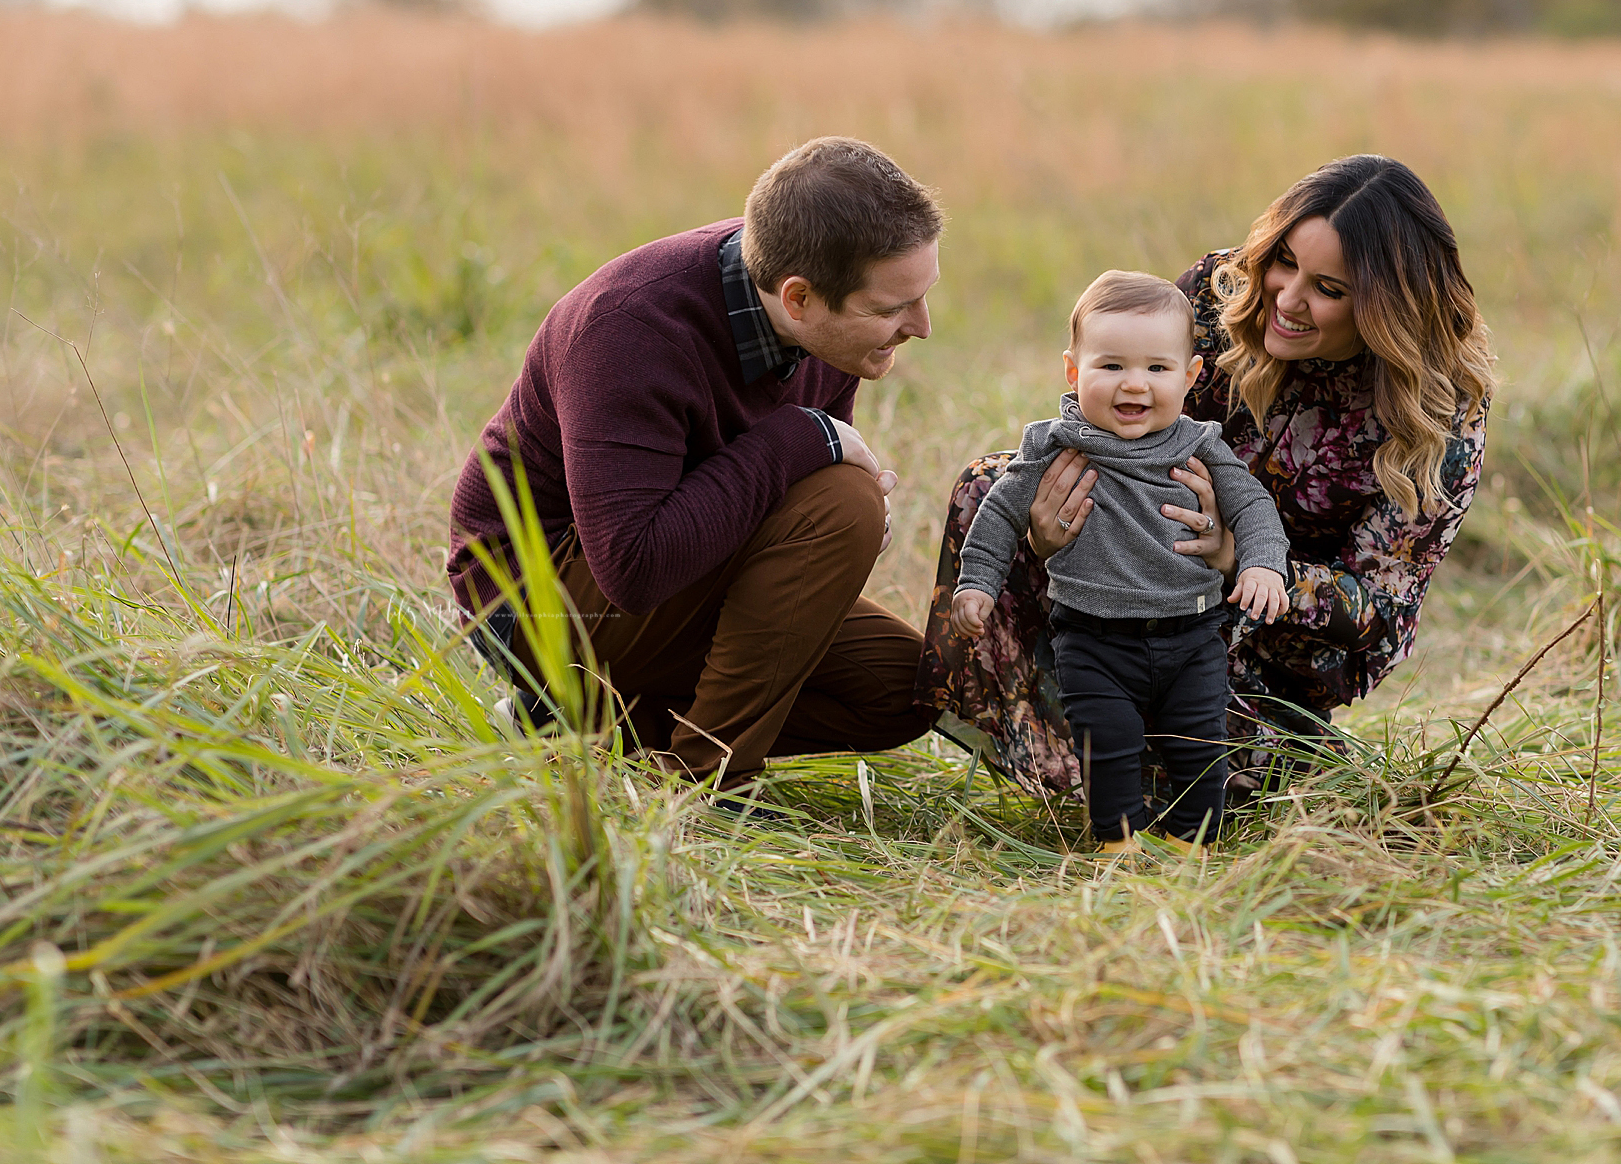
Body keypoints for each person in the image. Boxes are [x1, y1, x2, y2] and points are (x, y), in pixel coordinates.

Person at [919, 155, 1493, 801]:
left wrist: (1238, 556)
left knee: (1220, 771)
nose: (1288, 298)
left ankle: (1187, 759)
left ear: (1388, 304)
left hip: (1267, 651)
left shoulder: (1437, 411)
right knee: (988, 488)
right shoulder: (1219, 292)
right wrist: (1050, 533)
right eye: (1285, 261)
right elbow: (1110, 414)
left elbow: (1380, 609)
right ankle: (1061, 761)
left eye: (1329, 289)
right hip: (1133, 576)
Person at [446, 136, 943, 797]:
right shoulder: (630, 329)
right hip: (536, 599)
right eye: (889, 309)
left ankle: (588, 724)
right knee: (845, 501)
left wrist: (822, 506)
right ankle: (704, 783)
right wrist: (804, 440)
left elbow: (786, 497)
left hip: (685, 566)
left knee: (908, 692)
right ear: (798, 299)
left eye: (920, 295)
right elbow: (634, 566)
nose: (922, 325)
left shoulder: (816, 301)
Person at [951, 271, 1289, 849]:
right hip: (1093, 637)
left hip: (1192, 633)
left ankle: (1193, 844)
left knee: (1201, 745)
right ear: (1073, 370)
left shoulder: (1199, 443)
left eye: (1157, 369)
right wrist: (977, 581)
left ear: (1190, 377)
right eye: (1111, 366)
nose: (1135, 385)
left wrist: (1261, 563)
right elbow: (1001, 513)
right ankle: (1117, 845)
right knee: (1106, 743)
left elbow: (1252, 504)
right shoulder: (1055, 443)